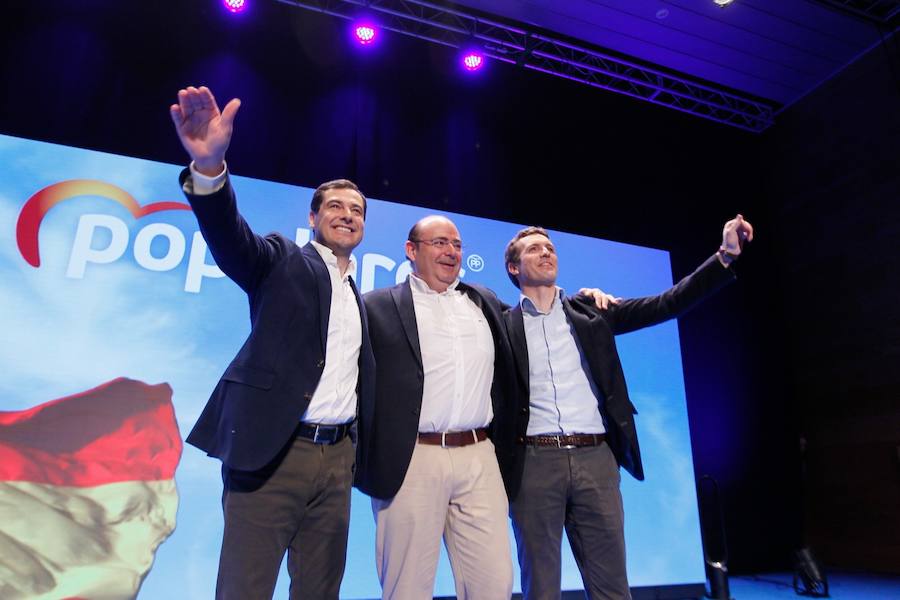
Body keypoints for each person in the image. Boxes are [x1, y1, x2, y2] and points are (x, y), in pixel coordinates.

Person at [169, 85, 375, 600]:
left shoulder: (359, 297)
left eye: (357, 209)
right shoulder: (282, 259)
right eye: (335, 205)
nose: (347, 214)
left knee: (319, 591)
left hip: (336, 462)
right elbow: (230, 238)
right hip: (273, 454)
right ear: (313, 217)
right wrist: (211, 168)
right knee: (245, 589)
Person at [499, 215, 754, 600]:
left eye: (550, 248)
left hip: (596, 459)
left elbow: (667, 303)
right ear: (514, 267)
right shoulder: (501, 324)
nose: (546, 252)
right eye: (534, 248)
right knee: (541, 588)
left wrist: (725, 255)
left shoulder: (591, 312)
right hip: (534, 463)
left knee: (612, 588)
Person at [357, 215, 516, 600]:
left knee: (494, 584)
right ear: (412, 251)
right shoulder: (376, 306)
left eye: (457, 245)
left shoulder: (484, 301)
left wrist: (581, 300)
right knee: (407, 587)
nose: (451, 252)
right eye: (440, 243)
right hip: (413, 457)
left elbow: (536, 322)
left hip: (479, 455)